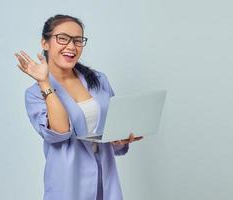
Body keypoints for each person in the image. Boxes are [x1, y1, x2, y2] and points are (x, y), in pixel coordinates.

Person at [14, 14, 143, 200]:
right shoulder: (35, 94)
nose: (71, 46)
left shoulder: (98, 80)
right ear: (45, 43)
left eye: (77, 40)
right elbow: (60, 132)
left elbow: (111, 127)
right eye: (63, 38)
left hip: (105, 176)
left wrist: (119, 140)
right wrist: (44, 82)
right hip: (68, 183)